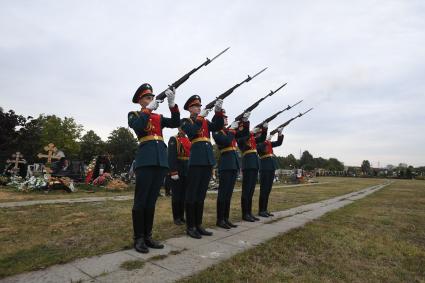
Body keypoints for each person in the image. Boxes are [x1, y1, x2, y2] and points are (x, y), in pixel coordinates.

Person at [128, 83, 180, 253]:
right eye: (147, 97)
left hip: (160, 162)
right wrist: (147, 110)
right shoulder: (134, 114)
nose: (151, 99)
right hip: (145, 160)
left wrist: (172, 105)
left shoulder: (158, 117)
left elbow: (175, 122)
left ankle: (148, 236)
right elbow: (137, 127)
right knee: (141, 200)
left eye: (152, 97)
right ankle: (138, 238)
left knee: (151, 201)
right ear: (140, 101)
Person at [180, 95, 224, 239]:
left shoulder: (205, 121)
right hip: (196, 160)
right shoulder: (186, 121)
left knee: (201, 195)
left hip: (207, 160)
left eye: (200, 106)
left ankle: (198, 225)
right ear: (190, 108)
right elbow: (192, 132)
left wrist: (218, 111)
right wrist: (200, 118)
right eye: (196, 106)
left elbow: (218, 126)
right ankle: (190, 226)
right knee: (192, 194)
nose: (199, 108)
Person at [212, 110, 249, 229]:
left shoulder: (229, 131)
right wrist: (233, 130)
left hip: (233, 164)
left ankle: (226, 218)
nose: (226, 119)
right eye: (224, 117)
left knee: (228, 194)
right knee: (223, 194)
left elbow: (244, 134)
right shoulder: (217, 132)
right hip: (226, 164)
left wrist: (245, 121)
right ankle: (220, 219)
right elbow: (226, 141)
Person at [236, 120, 267, 222]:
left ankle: (249, 213)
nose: (242, 128)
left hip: (254, 164)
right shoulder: (239, 137)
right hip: (248, 164)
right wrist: (251, 133)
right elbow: (242, 143)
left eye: (243, 127)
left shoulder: (251, 137)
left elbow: (262, 138)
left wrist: (264, 129)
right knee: (246, 191)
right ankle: (245, 214)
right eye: (240, 127)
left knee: (251, 191)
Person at [256, 128, 284, 217]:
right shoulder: (258, 143)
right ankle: (261, 210)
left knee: (268, 190)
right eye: (260, 134)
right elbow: (260, 149)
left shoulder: (267, 143)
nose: (261, 135)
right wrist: (266, 140)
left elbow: (278, 143)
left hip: (271, 166)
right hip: (264, 167)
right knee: (263, 190)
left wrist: (280, 133)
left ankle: (265, 209)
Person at [168, 128, 191, 225]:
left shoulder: (189, 139)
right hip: (178, 168)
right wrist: (173, 171)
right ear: (179, 129)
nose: (183, 130)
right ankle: (176, 217)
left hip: (187, 169)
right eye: (182, 128)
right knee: (176, 195)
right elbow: (171, 156)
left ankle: (182, 216)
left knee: (184, 195)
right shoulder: (174, 139)